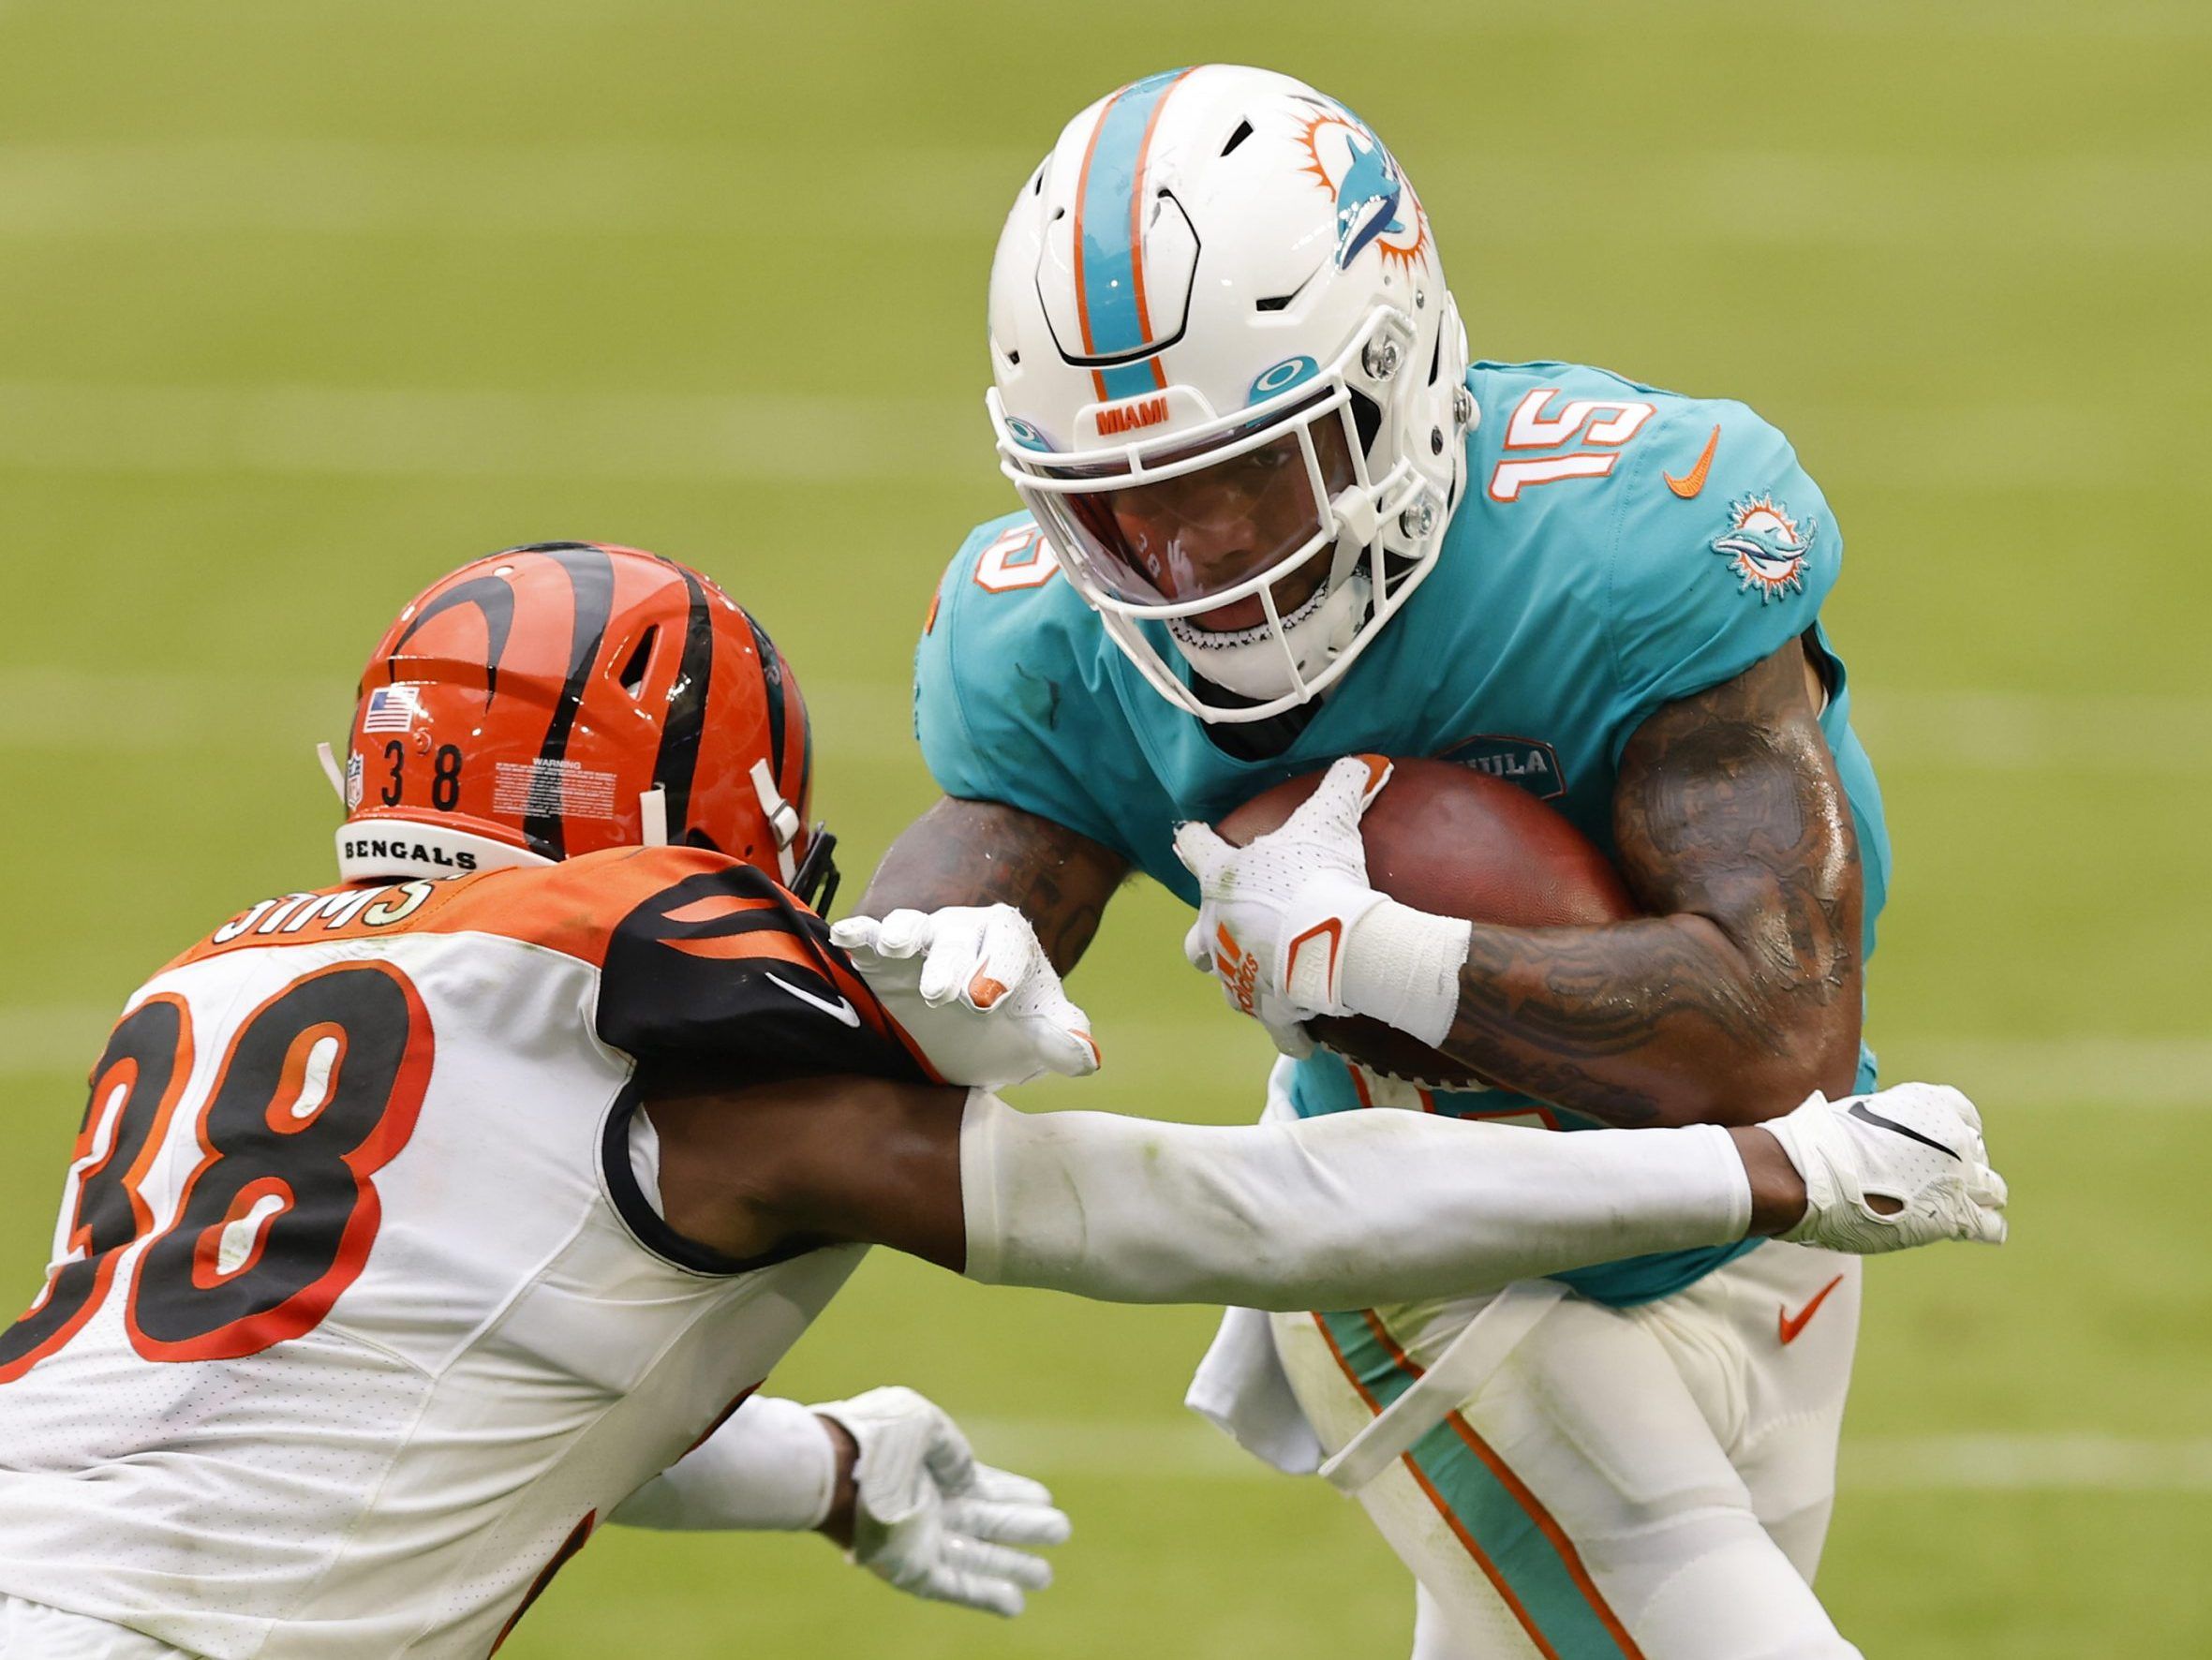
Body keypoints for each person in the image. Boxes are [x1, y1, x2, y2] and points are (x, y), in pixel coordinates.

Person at [0, 542, 1999, 1660]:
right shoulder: (692, 1062)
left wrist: (834, 1466)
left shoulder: (218, 982)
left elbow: (439, 1374)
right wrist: (1752, 1161)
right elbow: (1222, 1218)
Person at [857, 64, 1948, 1659]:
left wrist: (1383, 962)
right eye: (1121, 503)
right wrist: (914, 991)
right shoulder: (1045, 642)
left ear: (1394, 370)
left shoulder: (1626, 542)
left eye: (1239, 469)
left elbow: (1779, 1035)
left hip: (1749, 1239)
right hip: (1422, 1251)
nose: (1190, 556)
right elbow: (900, 965)